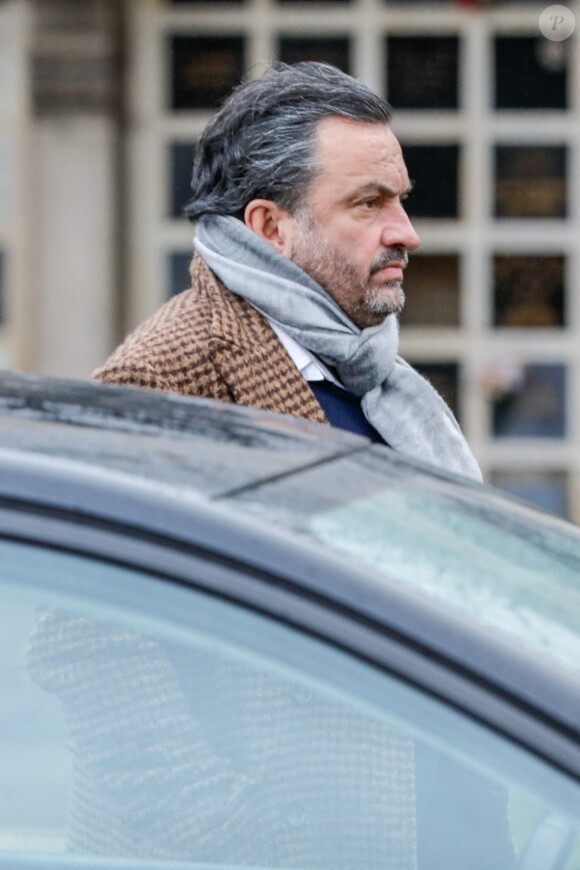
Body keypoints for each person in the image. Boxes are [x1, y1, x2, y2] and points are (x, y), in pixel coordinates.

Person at [94, 61, 481, 482]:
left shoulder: (362, 361)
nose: (407, 234)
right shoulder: (155, 383)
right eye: (369, 203)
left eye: (400, 200)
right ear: (271, 228)